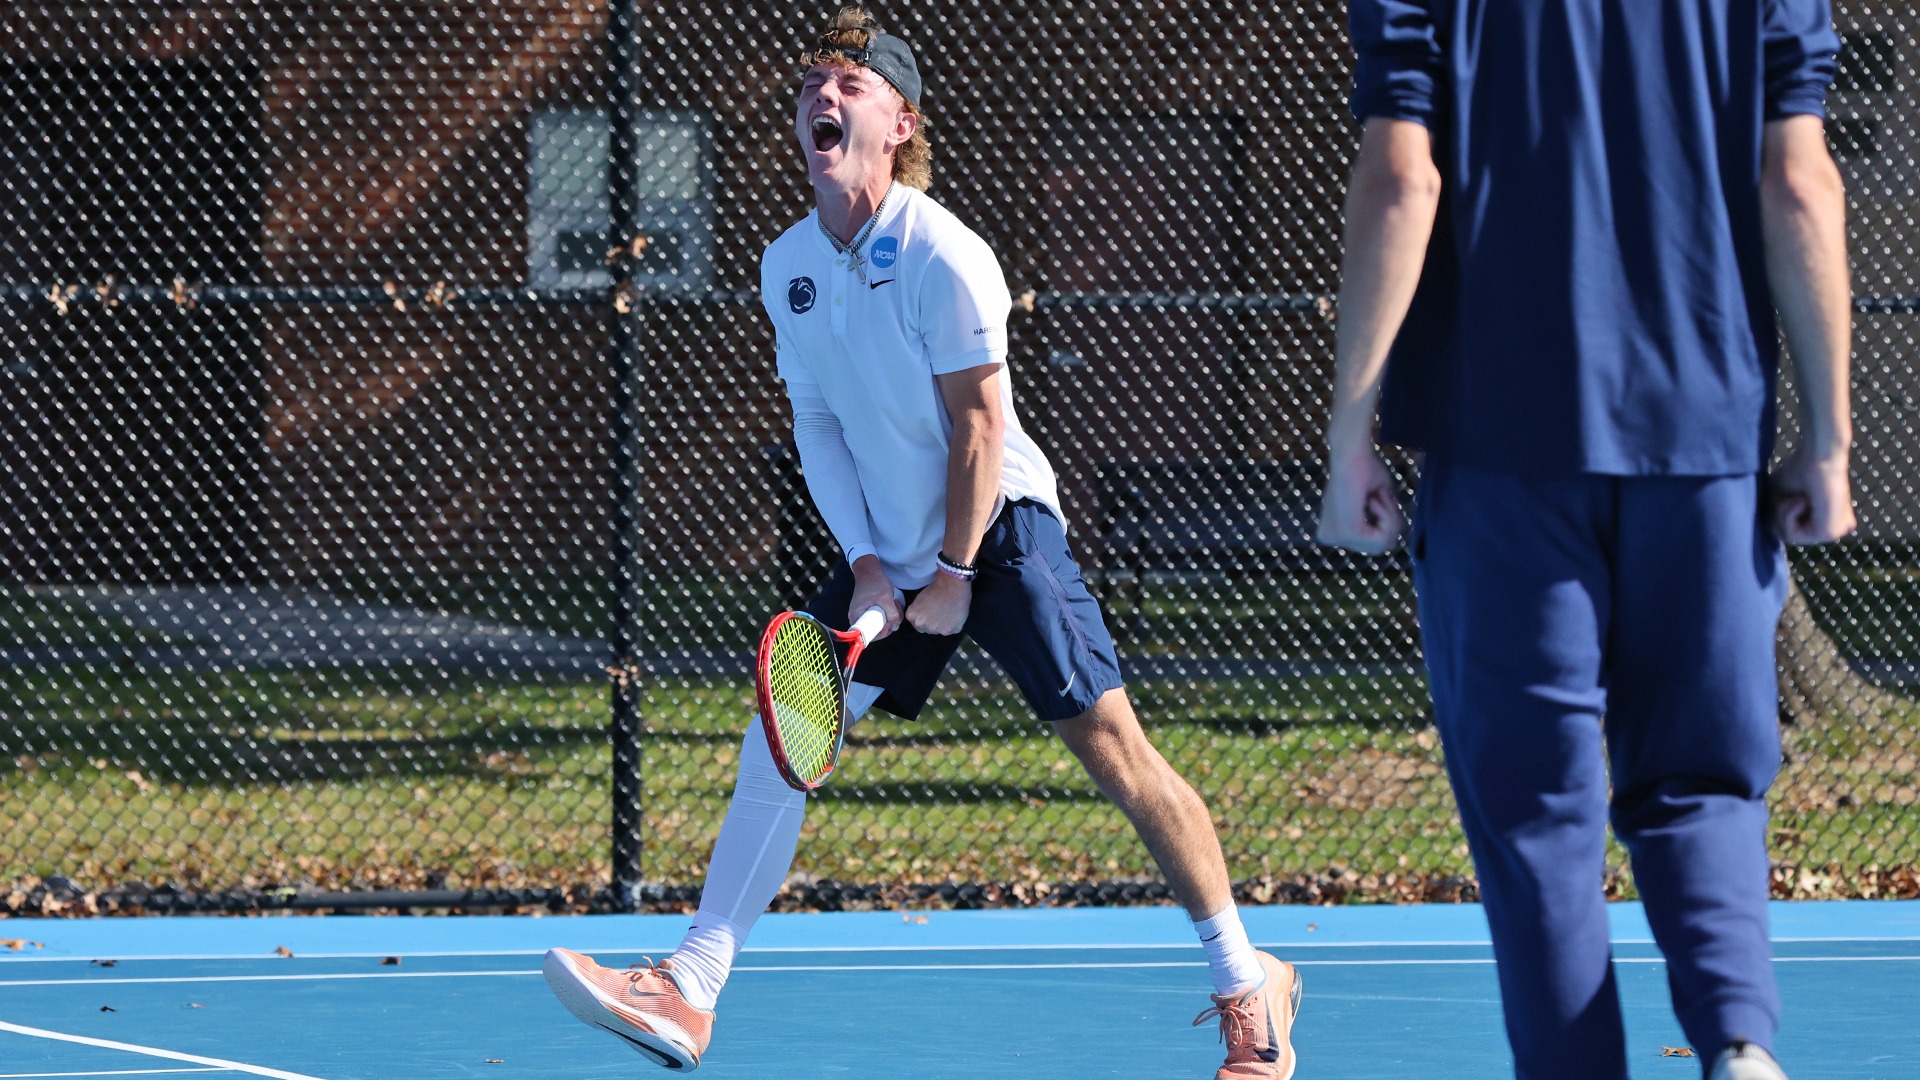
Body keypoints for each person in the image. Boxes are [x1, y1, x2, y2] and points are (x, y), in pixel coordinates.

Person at [542, 8, 1303, 1076]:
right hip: (892, 555)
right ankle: (690, 989)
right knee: (779, 746)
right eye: (813, 78)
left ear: (899, 121)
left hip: (1000, 530)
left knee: (1116, 753)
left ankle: (1248, 982)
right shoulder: (787, 265)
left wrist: (951, 575)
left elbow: (981, 426)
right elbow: (816, 422)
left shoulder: (945, 251)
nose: (824, 93)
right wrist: (866, 564)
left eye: (851, 82)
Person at [1316, 1, 1855, 1078]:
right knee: (1702, 778)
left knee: (1536, 812)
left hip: (1502, 449)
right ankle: (1739, 1043)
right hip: (1703, 443)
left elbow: (1402, 179)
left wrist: (1348, 438)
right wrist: (1832, 438)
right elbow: (1799, 182)